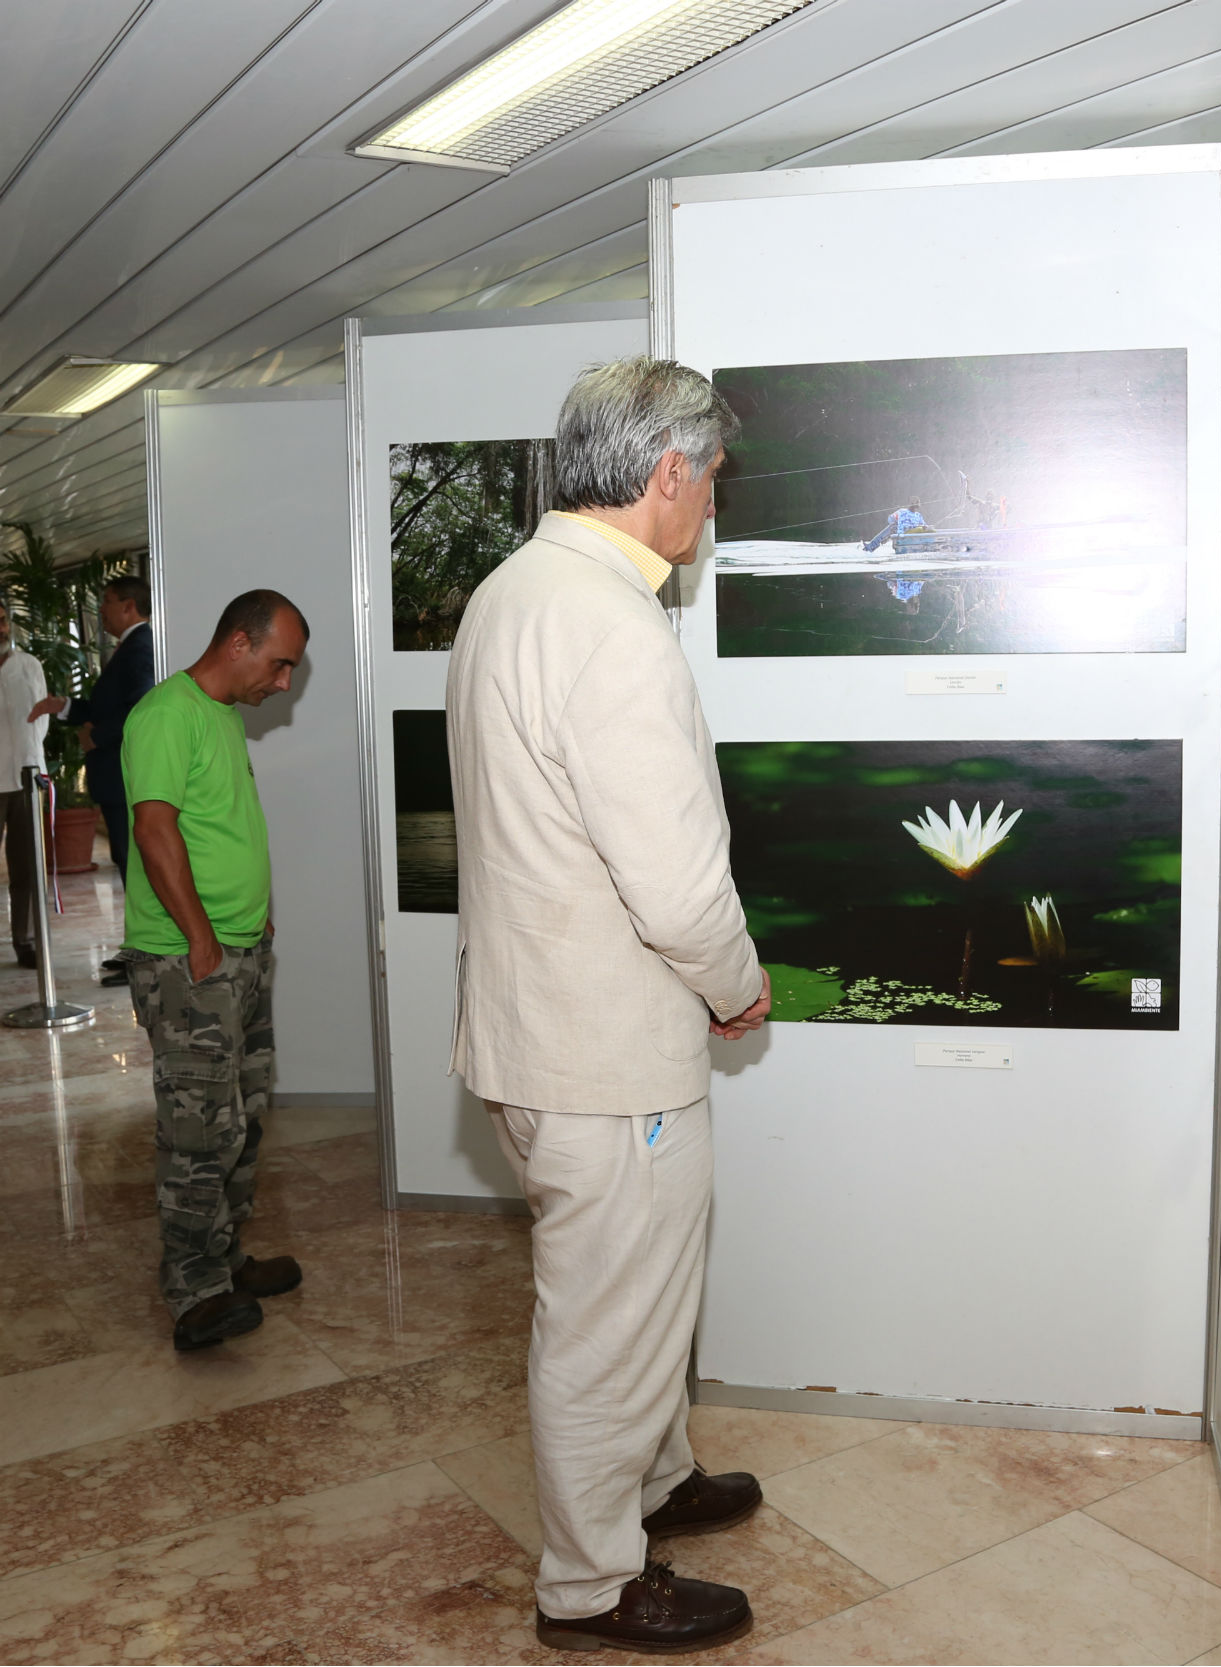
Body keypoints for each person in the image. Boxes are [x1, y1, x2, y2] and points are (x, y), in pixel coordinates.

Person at [448, 357, 772, 1655]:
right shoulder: (610, 626)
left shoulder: (515, 593)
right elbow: (677, 882)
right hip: (605, 1056)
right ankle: (590, 1578)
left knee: (637, 1294)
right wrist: (738, 985)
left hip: (542, 1038)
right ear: (665, 471)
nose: (713, 505)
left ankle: (653, 1480)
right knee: (601, 1322)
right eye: (713, 478)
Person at [122, 589, 309, 1353]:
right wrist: (200, 935)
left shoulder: (222, 717)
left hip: (238, 951)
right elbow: (155, 827)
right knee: (200, 1126)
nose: (283, 682)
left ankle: (226, 1258)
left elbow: (220, 824)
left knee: (243, 1112)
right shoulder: (165, 714)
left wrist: (251, 916)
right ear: (239, 641)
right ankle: (194, 1290)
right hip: (185, 958)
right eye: (279, 663)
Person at [30, 574, 156, 986]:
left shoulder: (142, 647)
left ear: (128, 607)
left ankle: (148, 955)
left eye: (106, 601)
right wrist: (64, 707)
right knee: (126, 863)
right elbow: (107, 705)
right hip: (115, 777)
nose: (100, 610)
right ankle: (138, 949)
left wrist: (97, 735)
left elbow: (140, 708)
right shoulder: (127, 647)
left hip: (126, 776)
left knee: (135, 866)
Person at [0, 602, 50, 969]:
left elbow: (40, 720)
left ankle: (25, 942)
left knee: (26, 869)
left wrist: (33, 767)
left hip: (23, 777)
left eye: (1, 621)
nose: (0, 629)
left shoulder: (28, 665)